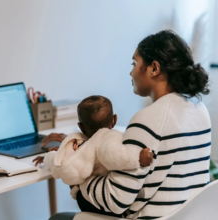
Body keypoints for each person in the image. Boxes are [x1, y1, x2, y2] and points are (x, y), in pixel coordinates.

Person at [46, 30, 211, 220]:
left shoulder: (149, 118)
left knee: (58, 218)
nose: (131, 72)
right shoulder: (199, 109)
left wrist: (74, 167)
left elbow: (115, 201)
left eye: (134, 63)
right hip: (188, 216)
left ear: (154, 68)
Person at [33, 95, 153, 201]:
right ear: (114, 120)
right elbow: (115, 155)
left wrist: (45, 158)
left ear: (80, 127)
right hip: (96, 197)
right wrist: (138, 157)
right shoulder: (109, 137)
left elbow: (58, 162)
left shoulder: (80, 147)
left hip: (85, 199)